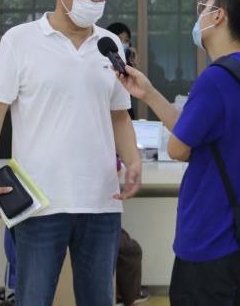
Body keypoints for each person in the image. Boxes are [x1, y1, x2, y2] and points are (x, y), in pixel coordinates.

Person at [0, 0, 142, 306]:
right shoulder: (19, 40)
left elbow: (120, 116)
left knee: (99, 299)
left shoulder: (110, 46)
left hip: (101, 201)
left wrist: (134, 162)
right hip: (40, 202)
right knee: (33, 298)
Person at [117, 0, 240, 306]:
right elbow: (196, 136)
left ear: (218, 16)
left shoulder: (215, 79)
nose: (199, 15)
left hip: (209, 236)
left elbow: (178, 148)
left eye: (204, 7)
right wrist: (149, 94)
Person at [106, 22, 149, 306]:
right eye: (118, 40)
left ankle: (124, 295)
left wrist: (131, 160)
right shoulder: (100, 71)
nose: (122, 45)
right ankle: (127, 294)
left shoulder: (126, 74)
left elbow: (123, 117)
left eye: (126, 40)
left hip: (111, 171)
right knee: (126, 249)